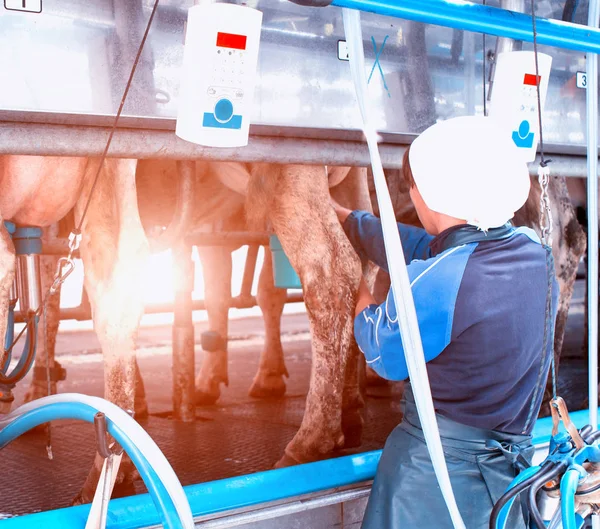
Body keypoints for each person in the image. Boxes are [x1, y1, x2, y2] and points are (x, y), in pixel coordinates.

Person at [330, 116, 559, 529]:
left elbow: (383, 353)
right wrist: (351, 220)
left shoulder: (440, 280)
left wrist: (358, 289)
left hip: (434, 476)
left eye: (412, 190)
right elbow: (428, 246)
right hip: (509, 472)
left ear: (428, 196)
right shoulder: (534, 254)